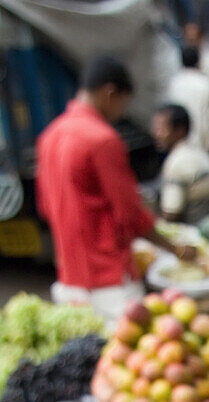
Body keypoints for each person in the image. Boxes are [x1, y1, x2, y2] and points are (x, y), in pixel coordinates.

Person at [36, 55, 194, 322]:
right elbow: (130, 214)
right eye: (123, 103)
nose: (121, 113)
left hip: (69, 277)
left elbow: (45, 207)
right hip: (109, 278)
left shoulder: (49, 136)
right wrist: (175, 248)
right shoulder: (102, 139)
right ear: (110, 93)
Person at [152, 103, 209, 223]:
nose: (156, 134)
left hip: (195, 228)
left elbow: (172, 212)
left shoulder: (176, 161)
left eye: (161, 129)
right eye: (156, 129)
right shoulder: (199, 152)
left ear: (180, 130)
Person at [167, 45, 209, 154]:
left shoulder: (175, 82)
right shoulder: (204, 83)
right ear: (198, 61)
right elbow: (205, 117)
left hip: (179, 141)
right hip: (199, 142)